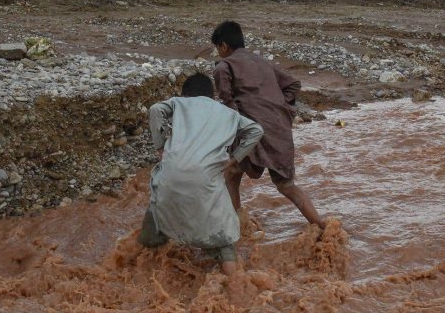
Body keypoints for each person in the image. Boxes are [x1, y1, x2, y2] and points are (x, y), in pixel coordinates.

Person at [138, 73, 264, 275]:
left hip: (171, 172)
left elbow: (155, 109)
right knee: (224, 231)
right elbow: (256, 130)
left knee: (158, 199)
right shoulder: (228, 113)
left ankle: (146, 257)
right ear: (212, 95)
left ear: (185, 94)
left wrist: (160, 146)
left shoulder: (179, 103)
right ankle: (233, 283)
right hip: (207, 176)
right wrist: (236, 158)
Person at [211, 21, 326, 229]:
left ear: (224, 46)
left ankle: (238, 224)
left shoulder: (224, 67)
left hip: (252, 132)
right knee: (287, 185)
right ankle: (322, 226)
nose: (218, 52)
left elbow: (228, 106)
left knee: (232, 173)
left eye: (217, 48)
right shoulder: (262, 62)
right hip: (280, 130)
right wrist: (281, 108)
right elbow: (293, 85)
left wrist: (238, 128)